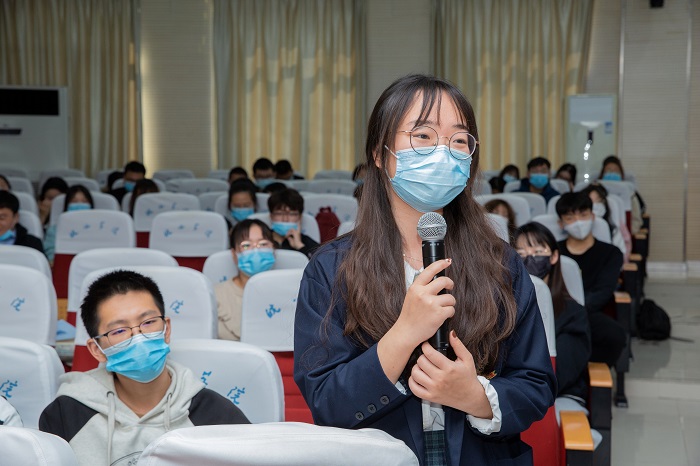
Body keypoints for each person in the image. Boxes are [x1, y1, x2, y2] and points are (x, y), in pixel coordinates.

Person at [293, 74, 555, 465]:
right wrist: (405, 333)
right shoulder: (331, 269)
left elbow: (535, 384)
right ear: (380, 153)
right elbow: (327, 403)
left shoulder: (501, 263)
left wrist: (475, 397)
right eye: (423, 136)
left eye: (459, 140)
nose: (443, 152)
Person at [39, 270, 249, 466]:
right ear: (97, 350)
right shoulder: (65, 414)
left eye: (148, 322)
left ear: (166, 329)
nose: (138, 337)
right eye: (119, 330)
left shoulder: (216, 414)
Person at [514, 222, 590, 403]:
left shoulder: (573, 314)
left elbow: (560, 373)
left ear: (554, 256)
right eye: (521, 253)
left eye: (538, 252)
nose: (529, 258)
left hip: (555, 396)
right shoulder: (502, 307)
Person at [556, 192, 626, 367]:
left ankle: (589, 373)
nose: (578, 222)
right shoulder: (554, 252)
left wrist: (575, 312)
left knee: (613, 335)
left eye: (583, 215)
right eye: (570, 217)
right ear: (561, 223)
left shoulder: (611, 253)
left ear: (593, 217)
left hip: (589, 312)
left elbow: (603, 291)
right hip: (557, 311)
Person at [215, 219, 276, 341]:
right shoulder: (217, 295)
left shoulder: (289, 292)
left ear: (273, 250)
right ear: (234, 254)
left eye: (263, 244)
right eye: (246, 245)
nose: (256, 250)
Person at [44, 185, 94, 262]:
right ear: (67, 206)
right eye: (74, 201)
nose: (79, 204)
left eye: (84, 201)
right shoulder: (54, 230)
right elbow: (50, 253)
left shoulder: (98, 229)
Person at [581, 183, 629, 262]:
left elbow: (620, 255)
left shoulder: (614, 229)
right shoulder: (577, 227)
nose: (595, 206)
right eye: (591, 203)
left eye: (599, 202)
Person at [597, 155, 645, 234]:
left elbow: (636, 220)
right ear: (602, 174)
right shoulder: (596, 191)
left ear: (621, 174)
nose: (612, 173)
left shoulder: (630, 193)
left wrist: (628, 232)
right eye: (608, 170)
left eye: (615, 170)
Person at [268, 188, 319, 259]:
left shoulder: (309, 244)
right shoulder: (260, 239)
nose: (285, 219)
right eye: (279, 214)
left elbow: (321, 264)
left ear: (300, 217)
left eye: (291, 214)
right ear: (271, 216)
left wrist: (300, 246)